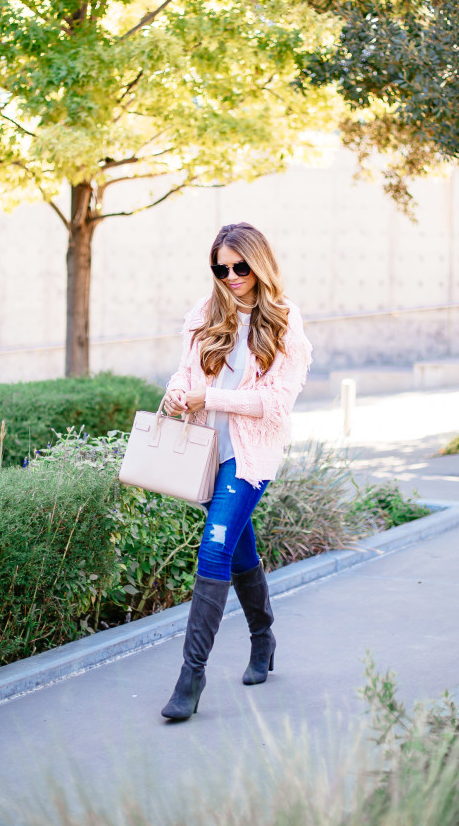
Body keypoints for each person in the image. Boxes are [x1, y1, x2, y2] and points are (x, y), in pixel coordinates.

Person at [160, 221, 312, 721]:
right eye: (220, 268)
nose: (230, 275)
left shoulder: (286, 327)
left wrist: (212, 396)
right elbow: (186, 373)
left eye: (240, 266)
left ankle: (191, 675)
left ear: (259, 264)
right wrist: (178, 392)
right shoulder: (203, 317)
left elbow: (275, 404)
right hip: (205, 451)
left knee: (216, 544)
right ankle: (263, 638)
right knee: (239, 547)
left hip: (248, 459)